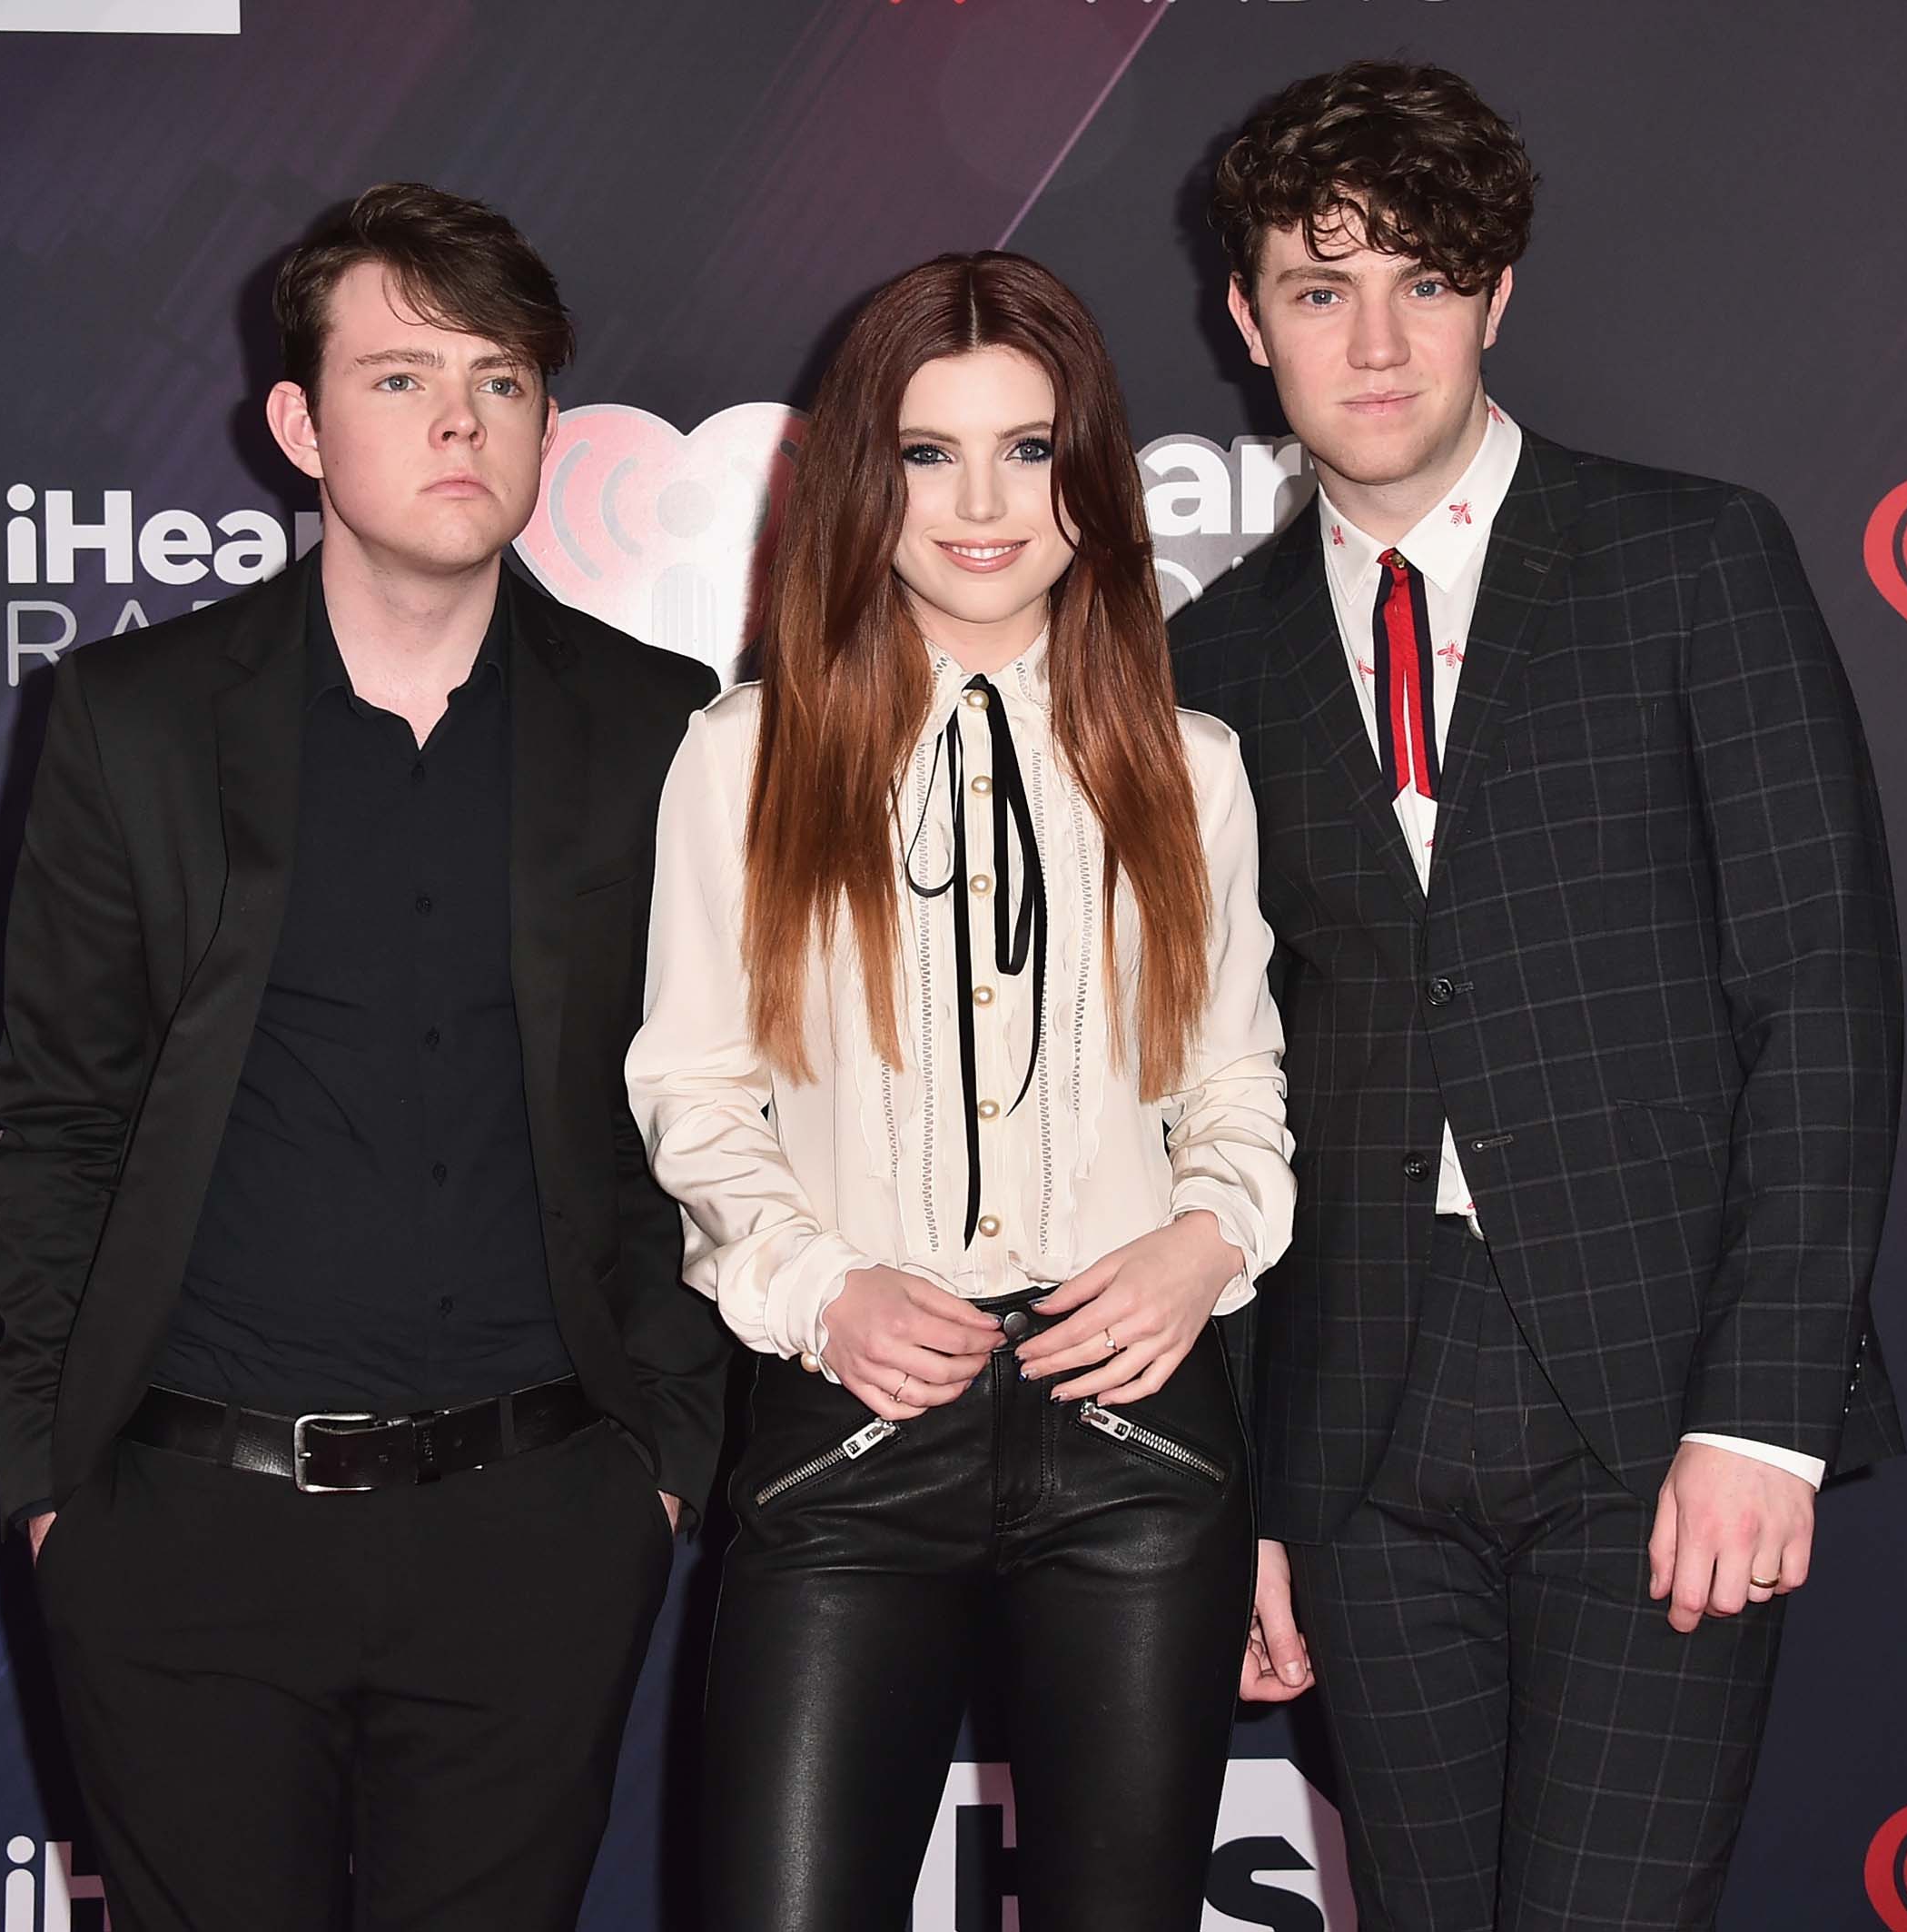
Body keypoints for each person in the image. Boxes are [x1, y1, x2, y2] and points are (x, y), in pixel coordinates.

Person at [1168, 62, 1907, 1932]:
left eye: (1424, 277)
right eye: (1321, 288)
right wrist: (1248, 1489)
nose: (1378, 336)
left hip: (1654, 1399)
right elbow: (1204, 1089)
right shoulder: (1205, 660)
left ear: (1498, 295)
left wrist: (1765, 1412)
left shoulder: (1688, 559)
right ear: (1246, 322)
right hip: (1356, 1429)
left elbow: (1820, 991)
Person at [0, 182, 725, 1931]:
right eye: (401, 379)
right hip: (184, 1525)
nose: (462, 420)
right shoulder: (134, 721)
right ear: (299, 425)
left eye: (504, 378)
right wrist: (49, 1490)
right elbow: (60, 1115)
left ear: (552, 420)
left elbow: (711, 1115)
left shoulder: (668, 729)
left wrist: (663, 1460)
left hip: (540, 1520)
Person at [625, 250, 1294, 1931]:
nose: (982, 501)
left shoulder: (1188, 764)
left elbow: (1235, 1085)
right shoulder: (747, 756)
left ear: (1090, 475)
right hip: (855, 1432)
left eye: (1029, 446)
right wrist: (818, 1289)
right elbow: (696, 1091)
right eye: (930, 452)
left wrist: (1207, 1242)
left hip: (1137, 1442)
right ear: (867, 477)